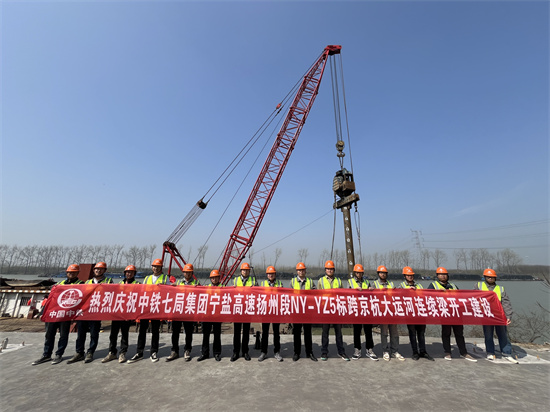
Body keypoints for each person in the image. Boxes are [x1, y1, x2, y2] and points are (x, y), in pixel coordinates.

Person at [32, 264, 83, 365]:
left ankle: (59, 354)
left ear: (77, 273)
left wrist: (76, 315)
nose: (71, 274)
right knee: (49, 335)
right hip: (54, 313)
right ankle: (46, 355)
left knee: (63, 335)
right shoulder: (60, 284)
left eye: (73, 272)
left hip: (66, 314)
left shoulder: (81, 284)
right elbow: (50, 300)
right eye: (69, 272)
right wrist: (43, 313)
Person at [67, 261, 113, 364]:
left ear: (104, 271)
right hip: (85, 312)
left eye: (100, 269)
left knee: (94, 334)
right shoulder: (86, 282)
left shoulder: (109, 281)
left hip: (96, 312)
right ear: (93, 270)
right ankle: (79, 352)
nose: (98, 270)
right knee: (81, 334)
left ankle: (90, 352)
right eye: (96, 269)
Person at [428, 267, 477, 362]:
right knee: (446, 333)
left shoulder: (453, 286)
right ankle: (447, 352)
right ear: (437, 276)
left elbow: (460, 297)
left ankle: (463, 352)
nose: (443, 276)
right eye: (441, 274)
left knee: (459, 333)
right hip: (445, 313)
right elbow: (429, 298)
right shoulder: (433, 285)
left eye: (445, 274)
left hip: (456, 313)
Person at [128, 258, 170, 363]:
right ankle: (139, 352)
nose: (155, 268)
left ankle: (153, 352)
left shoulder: (165, 278)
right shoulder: (147, 278)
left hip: (156, 307)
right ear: (152, 267)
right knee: (142, 330)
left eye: (158, 266)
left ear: (161, 268)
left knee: (155, 331)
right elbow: (142, 291)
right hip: (146, 307)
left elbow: (169, 292)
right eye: (154, 266)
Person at [474, 268, 518, 363]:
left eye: (492, 277)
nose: (490, 278)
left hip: (499, 316)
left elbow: (506, 303)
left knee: (503, 335)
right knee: (488, 335)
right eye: (488, 277)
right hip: (486, 316)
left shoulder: (501, 288)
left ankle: (506, 352)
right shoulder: (478, 286)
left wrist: (508, 316)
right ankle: (490, 352)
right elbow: (473, 298)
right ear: (485, 277)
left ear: (495, 278)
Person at [102, 265, 139, 364]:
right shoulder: (119, 284)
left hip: (127, 313)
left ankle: (123, 353)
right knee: (113, 333)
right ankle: (112, 352)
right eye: (127, 272)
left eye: (131, 272)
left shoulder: (137, 284)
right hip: (117, 312)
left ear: (134, 274)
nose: (129, 274)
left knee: (124, 334)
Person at [167, 263, 200, 362]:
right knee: (175, 332)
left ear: (192, 273)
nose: (187, 274)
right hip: (178, 310)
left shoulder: (197, 284)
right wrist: (172, 287)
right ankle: (174, 351)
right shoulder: (179, 283)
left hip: (189, 311)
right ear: (183, 273)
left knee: (189, 332)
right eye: (186, 272)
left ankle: (187, 350)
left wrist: (197, 288)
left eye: (189, 272)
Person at [399, 266, 434, 361]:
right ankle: (415, 352)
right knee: (412, 333)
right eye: (408, 275)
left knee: (421, 333)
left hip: (420, 312)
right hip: (410, 313)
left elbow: (425, 296)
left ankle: (423, 351)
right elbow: (398, 298)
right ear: (404, 276)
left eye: (411, 275)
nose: (410, 277)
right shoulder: (401, 286)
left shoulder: (419, 285)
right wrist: (408, 291)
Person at [318, 260, 349, 361]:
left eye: (331, 269)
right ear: (325, 270)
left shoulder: (339, 281)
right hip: (326, 310)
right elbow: (317, 296)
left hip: (336, 310)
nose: (329, 270)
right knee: (325, 333)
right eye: (328, 269)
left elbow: (343, 294)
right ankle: (324, 352)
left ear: (334, 270)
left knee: (338, 332)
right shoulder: (321, 281)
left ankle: (341, 351)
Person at [373, 265, 404, 361]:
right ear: (378, 274)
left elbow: (397, 295)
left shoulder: (391, 284)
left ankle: (394, 351)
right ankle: (385, 351)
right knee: (384, 332)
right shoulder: (374, 284)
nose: (383, 274)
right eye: (381, 273)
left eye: (384, 273)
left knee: (394, 333)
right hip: (383, 312)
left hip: (392, 311)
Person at [348, 264, 378, 361]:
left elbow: (371, 295)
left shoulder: (366, 282)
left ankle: (369, 349)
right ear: (355, 273)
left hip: (366, 309)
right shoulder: (350, 282)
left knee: (368, 330)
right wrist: (354, 291)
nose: (359, 274)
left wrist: (371, 290)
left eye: (360, 272)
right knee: (357, 331)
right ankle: (357, 350)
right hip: (356, 309)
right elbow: (346, 294)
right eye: (357, 272)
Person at [290, 262, 317, 362]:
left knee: (308, 333)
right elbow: (288, 296)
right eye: (299, 270)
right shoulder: (292, 282)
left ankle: (309, 352)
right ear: (297, 271)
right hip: (296, 311)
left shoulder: (310, 281)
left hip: (307, 311)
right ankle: (297, 352)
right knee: (296, 333)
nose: (301, 271)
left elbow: (316, 295)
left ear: (305, 271)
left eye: (303, 270)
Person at [231, 262, 257, 362]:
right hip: (237, 309)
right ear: (240, 271)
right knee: (236, 332)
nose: (245, 271)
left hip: (247, 309)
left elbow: (258, 293)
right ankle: (236, 352)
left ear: (249, 271)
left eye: (247, 270)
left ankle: (245, 352)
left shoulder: (253, 280)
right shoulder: (235, 280)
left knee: (246, 332)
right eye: (243, 270)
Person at [258, 266, 283, 362]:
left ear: (275, 274)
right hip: (266, 311)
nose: (270, 275)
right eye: (269, 273)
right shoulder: (263, 284)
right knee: (265, 333)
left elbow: (283, 297)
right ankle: (263, 352)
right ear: (267, 275)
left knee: (276, 333)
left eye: (272, 273)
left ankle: (277, 352)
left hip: (276, 311)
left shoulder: (279, 284)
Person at [198, 270, 223, 362]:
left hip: (217, 315)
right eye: (212, 278)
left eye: (216, 277)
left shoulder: (223, 288)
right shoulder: (206, 288)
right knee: (206, 335)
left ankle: (217, 353)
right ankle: (205, 353)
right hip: (207, 315)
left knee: (217, 335)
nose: (214, 279)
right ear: (210, 279)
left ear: (219, 278)